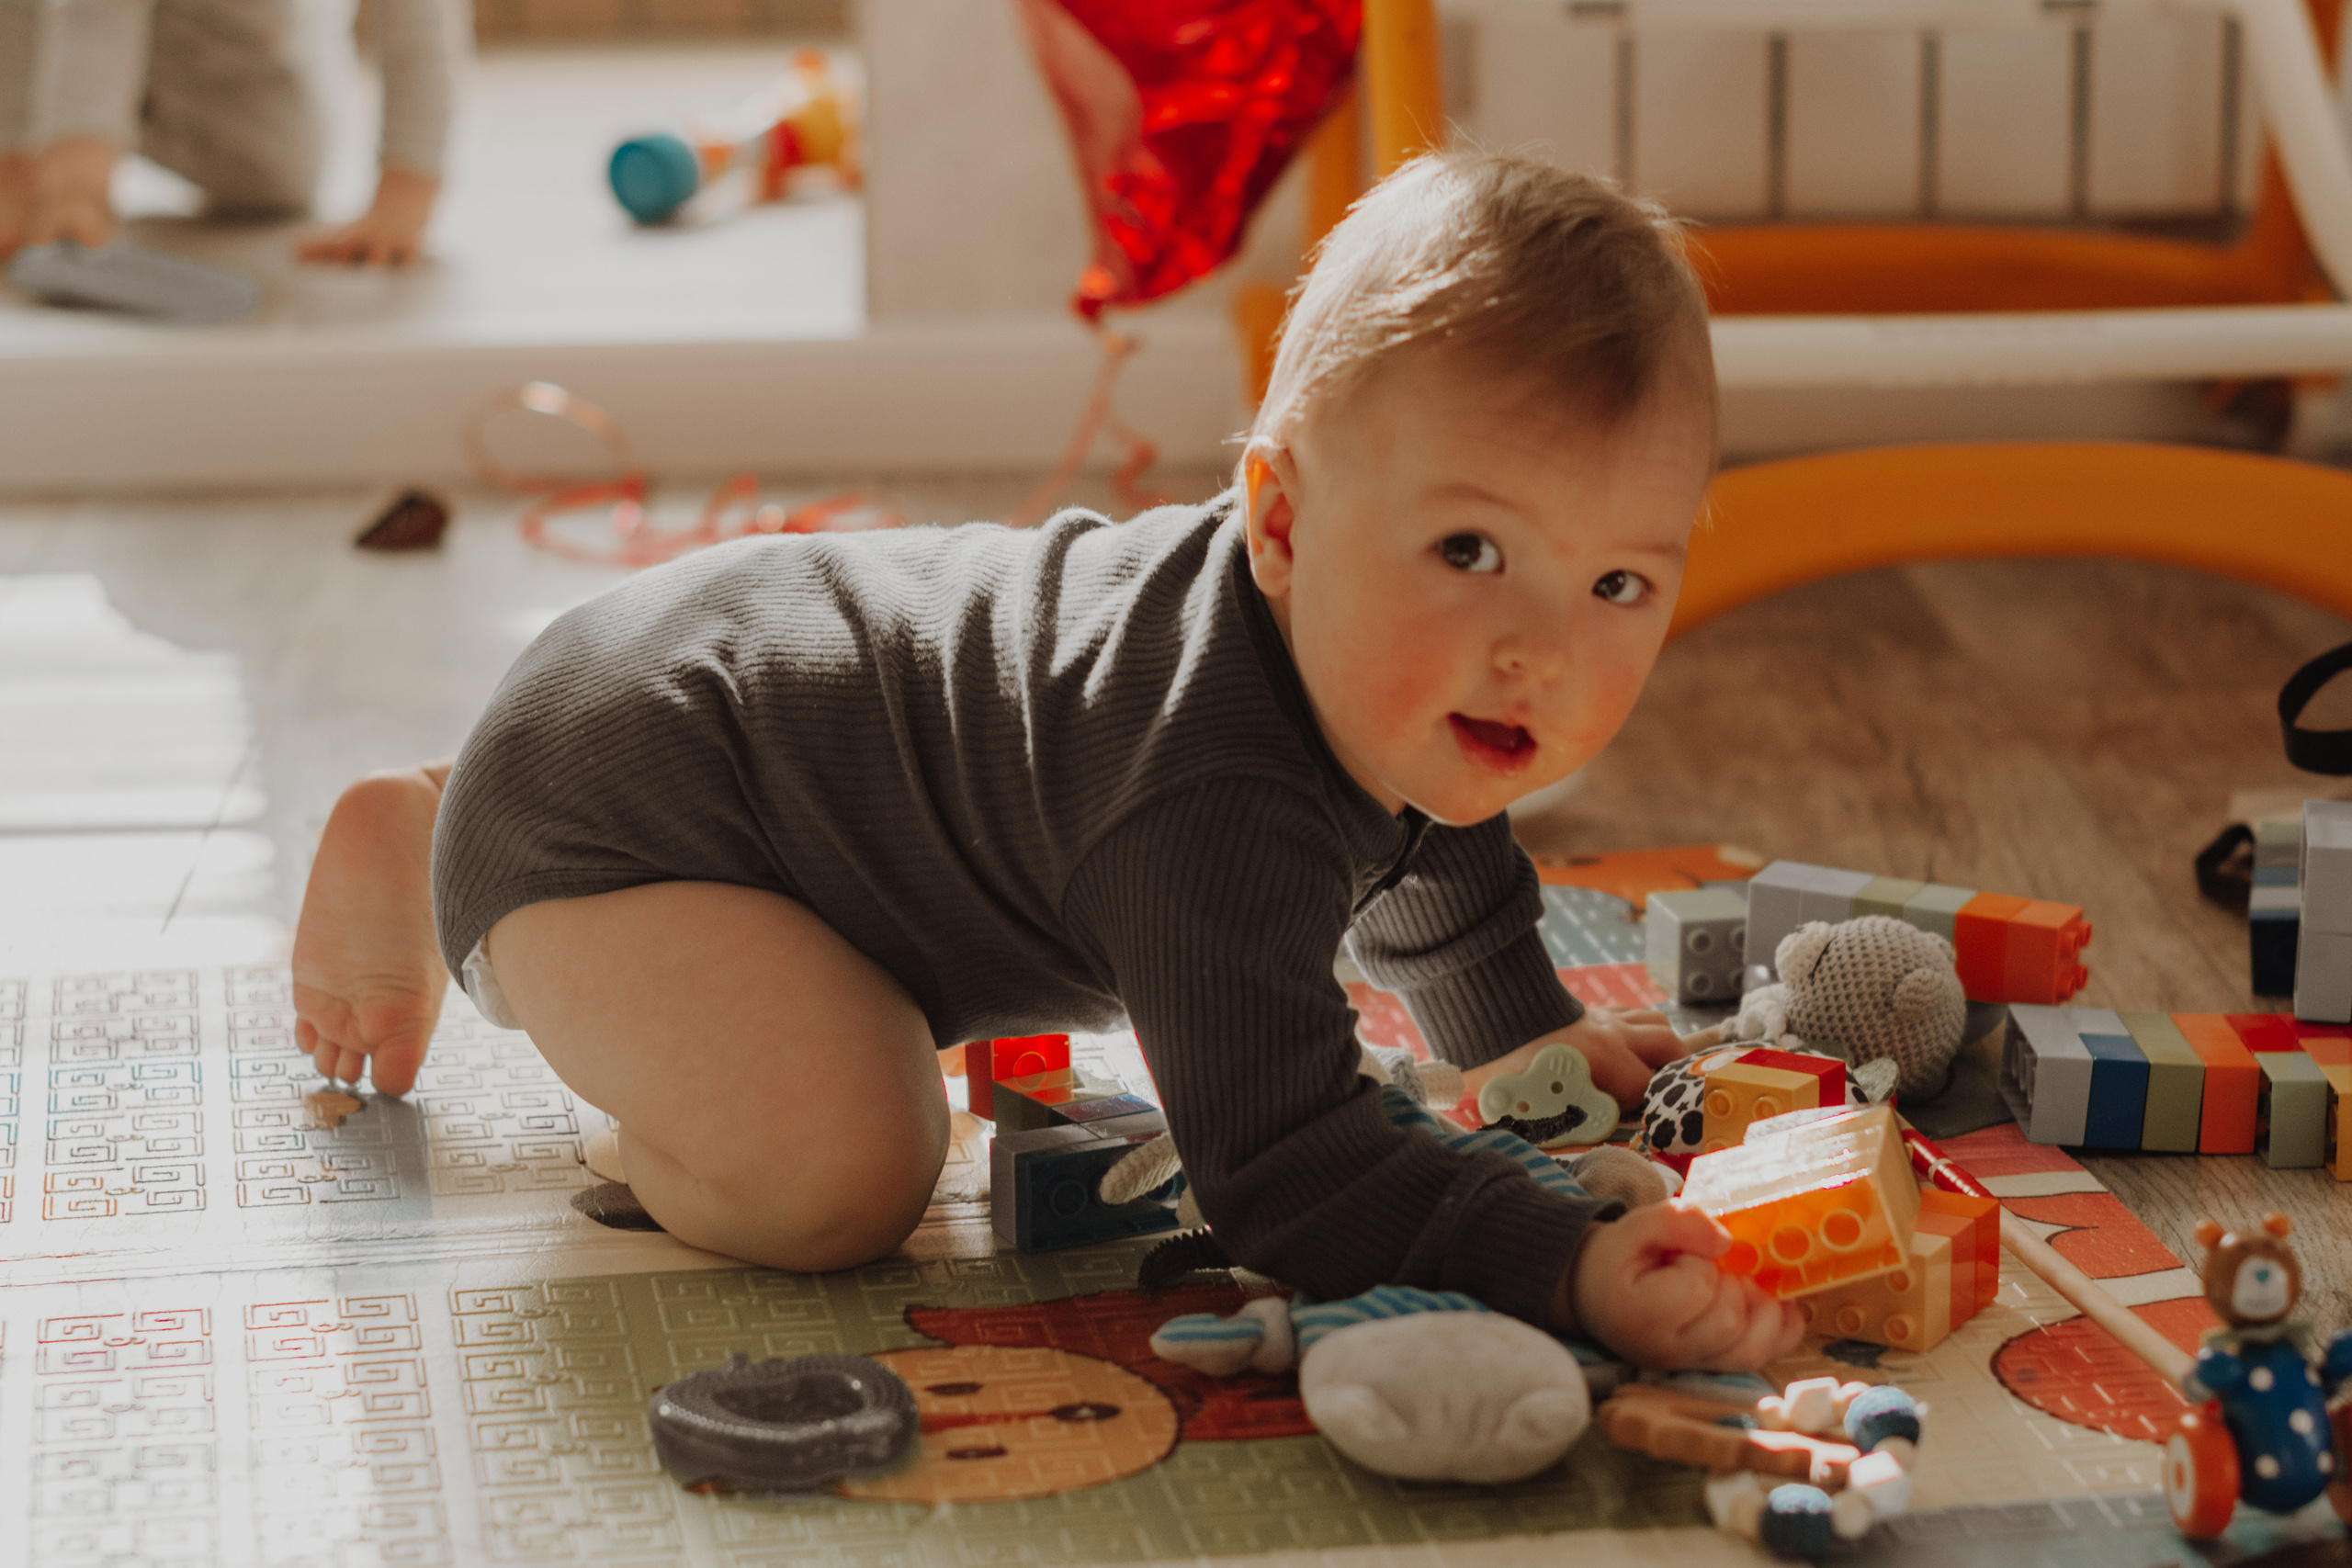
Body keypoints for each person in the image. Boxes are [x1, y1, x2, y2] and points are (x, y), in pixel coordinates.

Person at [288, 149, 1805, 1371]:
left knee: (867, 1073)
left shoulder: (1376, 676)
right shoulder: (1209, 794)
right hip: (631, 813)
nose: (1538, 647)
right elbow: (1285, 1158)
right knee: (845, 1171)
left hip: (704, 700)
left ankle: (441, 801)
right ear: (1279, 522)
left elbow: (1439, 858)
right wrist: (1557, 1255)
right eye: (1469, 548)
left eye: (1619, 583)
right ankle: (454, 855)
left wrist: (1511, 1044)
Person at [0, 0, 464, 265]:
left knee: (279, 176)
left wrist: (404, 199)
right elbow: (94, 28)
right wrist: (76, 189)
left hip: (249, 65)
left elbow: (420, 38)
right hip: (78, 43)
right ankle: (17, 166)